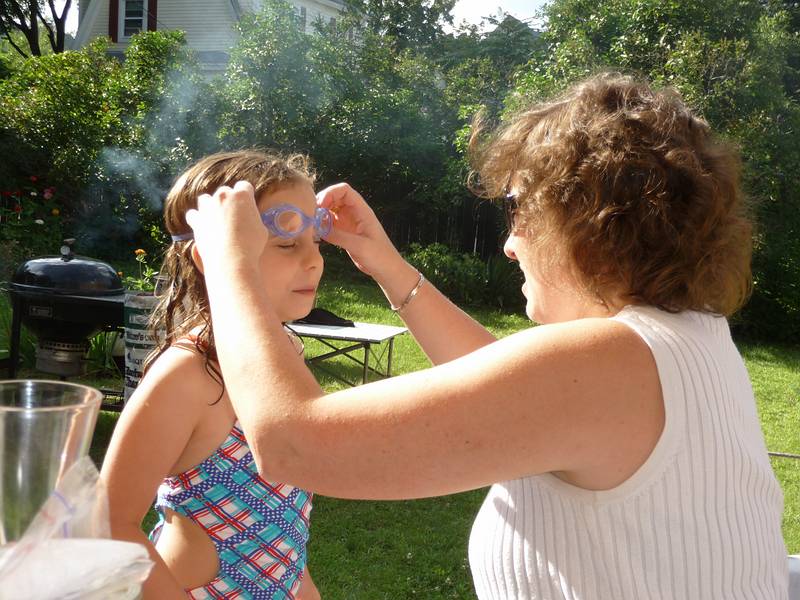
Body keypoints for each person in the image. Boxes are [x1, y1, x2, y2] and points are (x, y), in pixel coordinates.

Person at [184, 74, 788, 599]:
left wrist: (231, 264)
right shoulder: (690, 337)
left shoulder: (614, 362)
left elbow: (293, 445)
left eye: (517, 208)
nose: (510, 241)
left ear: (584, 222)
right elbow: (507, 384)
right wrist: (388, 267)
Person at [100, 150, 324, 600]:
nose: (315, 260)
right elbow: (106, 521)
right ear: (209, 256)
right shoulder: (187, 374)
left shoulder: (284, 356)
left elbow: (287, 511)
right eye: (286, 242)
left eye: (317, 239)